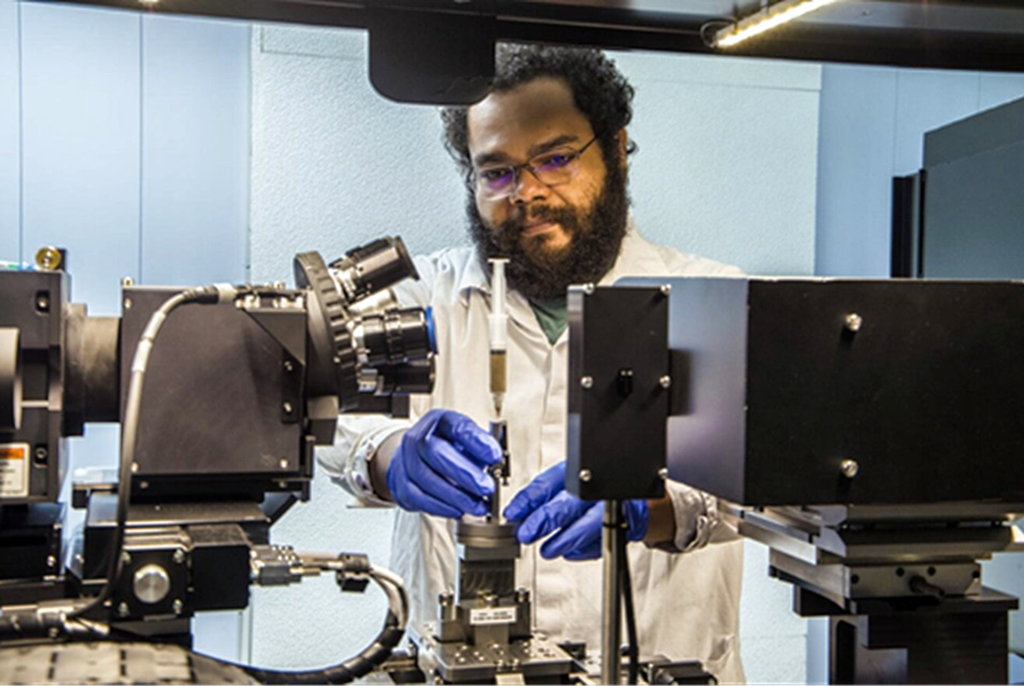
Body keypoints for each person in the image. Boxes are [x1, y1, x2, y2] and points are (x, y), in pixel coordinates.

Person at [320, 44, 746, 683]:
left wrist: (648, 507)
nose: (528, 194)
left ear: (616, 149)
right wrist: (387, 454)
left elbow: (763, 487)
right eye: (497, 172)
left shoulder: (713, 299)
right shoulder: (423, 298)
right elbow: (315, 402)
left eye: (554, 159)